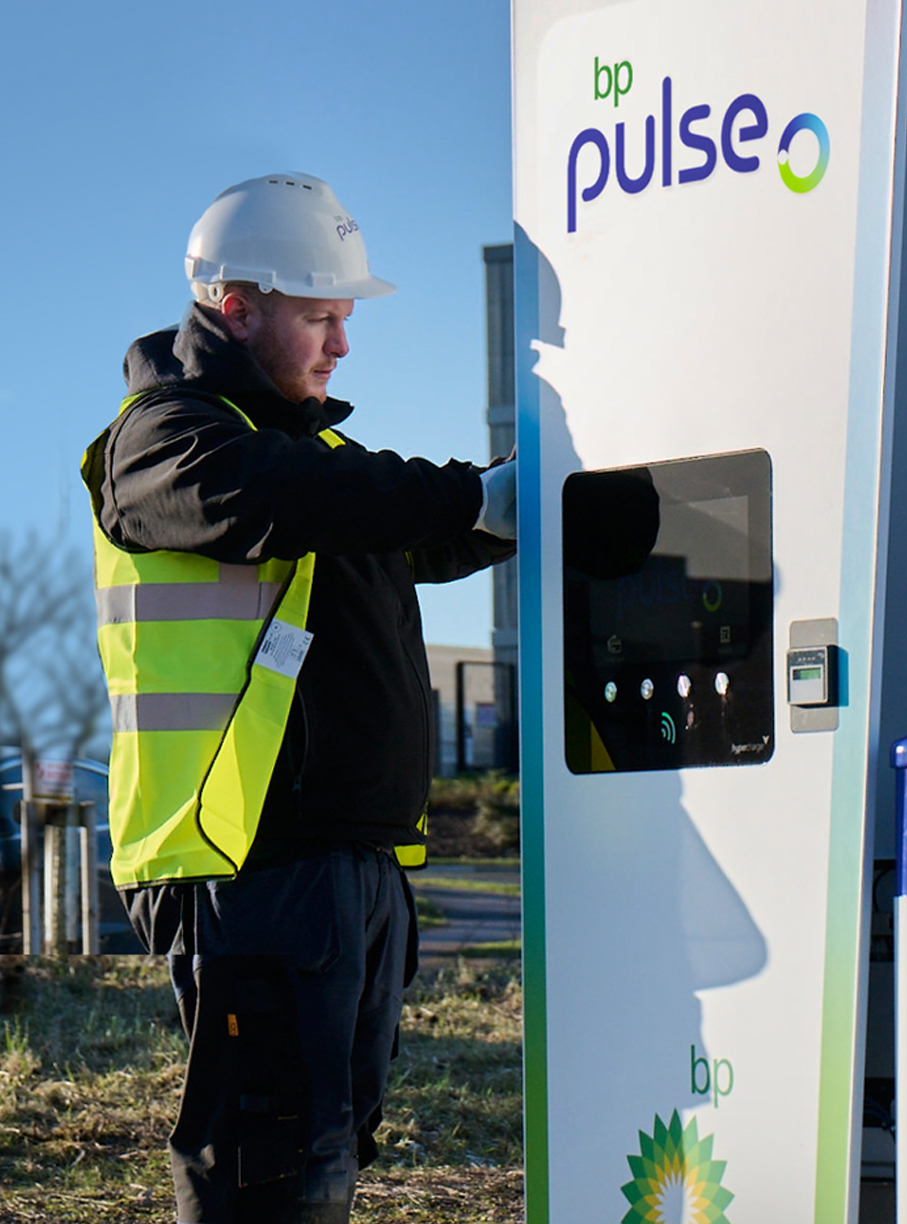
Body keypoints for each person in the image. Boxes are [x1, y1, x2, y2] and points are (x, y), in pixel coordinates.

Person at [81, 172, 517, 1224]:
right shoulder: (164, 440)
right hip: (243, 864)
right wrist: (465, 495)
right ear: (237, 308)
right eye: (321, 317)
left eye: (345, 319)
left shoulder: (312, 456)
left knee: (322, 1151)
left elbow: (410, 519)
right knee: (264, 1169)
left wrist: (521, 499)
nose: (341, 344)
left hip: (344, 863)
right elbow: (297, 501)